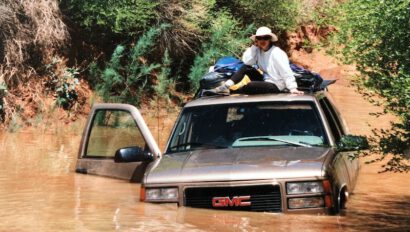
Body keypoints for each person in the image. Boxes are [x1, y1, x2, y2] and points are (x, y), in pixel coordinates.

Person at [207, 26, 304, 95]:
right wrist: (254, 47)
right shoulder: (258, 51)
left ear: (270, 39)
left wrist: (292, 88)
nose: (262, 40)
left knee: (250, 86)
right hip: (265, 80)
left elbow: (286, 71)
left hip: (276, 85)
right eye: (259, 38)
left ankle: (233, 92)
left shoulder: (277, 53)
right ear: (256, 40)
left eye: (265, 38)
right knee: (246, 68)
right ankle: (225, 87)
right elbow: (247, 62)